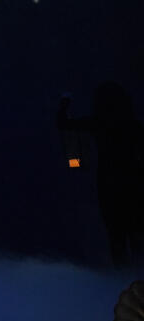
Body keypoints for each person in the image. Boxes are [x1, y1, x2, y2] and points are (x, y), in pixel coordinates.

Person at [57, 82, 144, 267]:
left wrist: (65, 102)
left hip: (109, 182)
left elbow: (63, 123)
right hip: (133, 181)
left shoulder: (98, 122)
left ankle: (122, 276)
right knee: (135, 231)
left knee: (116, 233)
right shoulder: (133, 126)